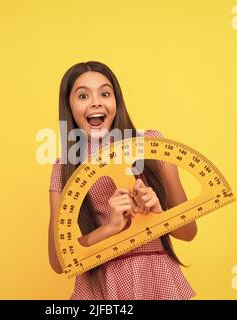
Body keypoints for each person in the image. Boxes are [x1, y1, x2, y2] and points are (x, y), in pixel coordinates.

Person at [48, 61, 197, 299]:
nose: (96, 101)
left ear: (116, 102)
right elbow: (59, 261)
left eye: (105, 93)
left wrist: (160, 213)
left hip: (155, 276)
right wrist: (110, 229)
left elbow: (188, 232)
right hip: (101, 283)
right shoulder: (64, 167)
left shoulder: (151, 144)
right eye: (83, 95)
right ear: (69, 106)